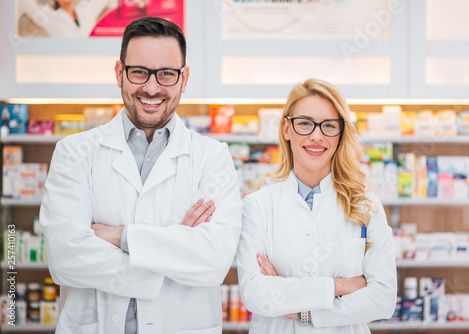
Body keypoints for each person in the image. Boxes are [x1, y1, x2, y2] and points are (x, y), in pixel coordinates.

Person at [40, 17, 242, 334]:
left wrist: (118, 236)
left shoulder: (211, 157)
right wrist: (172, 255)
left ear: (184, 78)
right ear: (120, 73)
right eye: (139, 72)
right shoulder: (75, 152)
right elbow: (65, 258)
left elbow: (213, 261)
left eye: (166, 74)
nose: (151, 87)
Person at [237, 79, 397, 333]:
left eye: (329, 125)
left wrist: (302, 311)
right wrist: (341, 286)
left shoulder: (366, 206)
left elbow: (383, 299)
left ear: (341, 133)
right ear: (286, 129)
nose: (316, 135)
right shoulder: (258, 206)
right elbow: (256, 295)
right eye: (305, 123)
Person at [18, 0, 116, 37]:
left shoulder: (86, 10)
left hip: (93, 59)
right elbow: (25, 3)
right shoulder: (49, 17)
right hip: (67, 64)